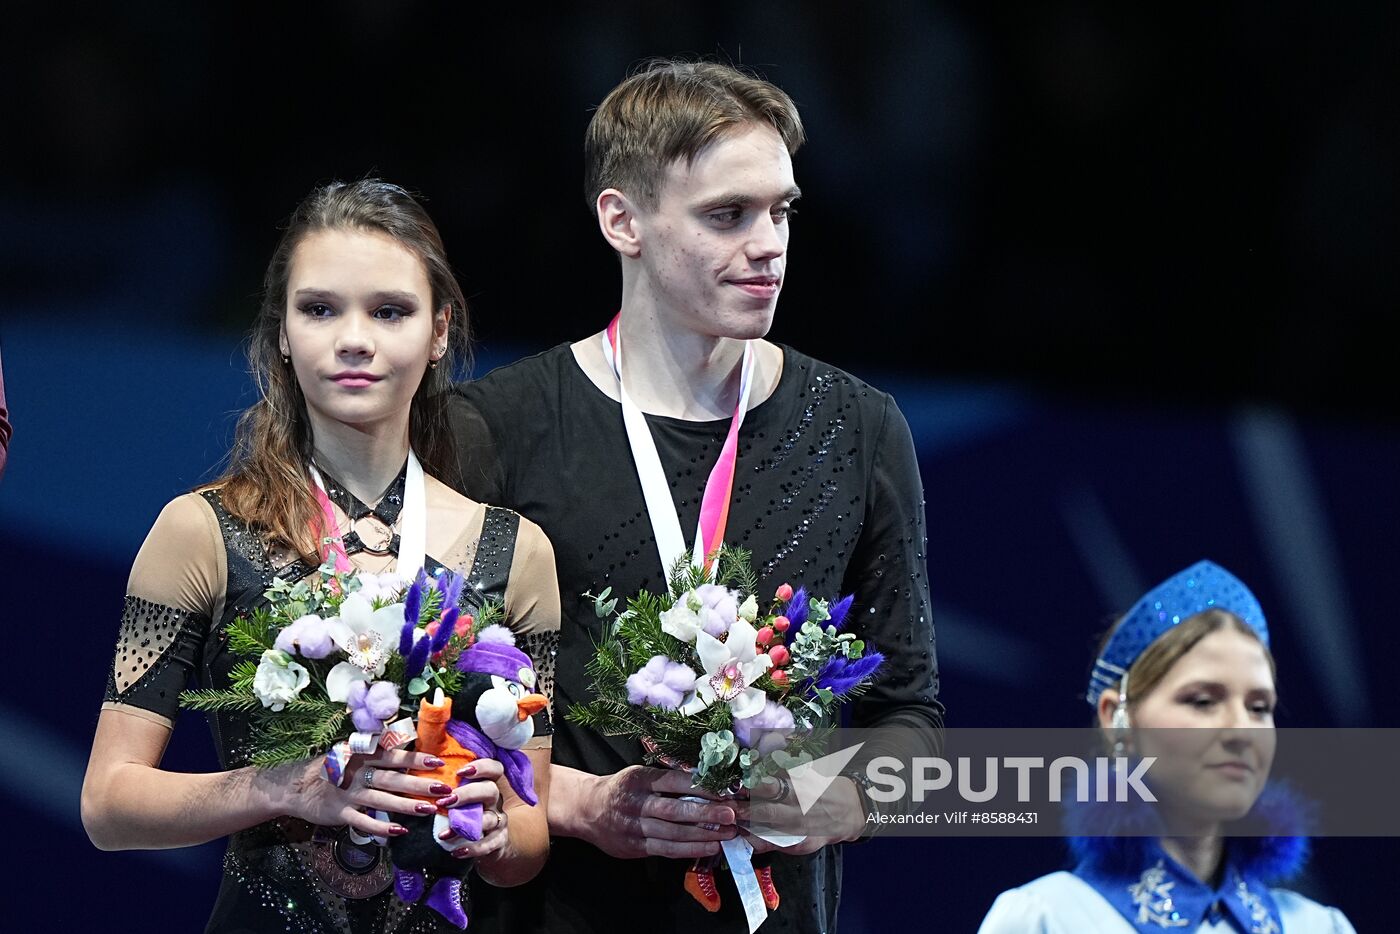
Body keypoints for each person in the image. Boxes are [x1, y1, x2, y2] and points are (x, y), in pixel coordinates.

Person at [448, 59, 944, 932]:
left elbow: (911, 714)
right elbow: (430, 720)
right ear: (622, 220)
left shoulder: (861, 431)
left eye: (782, 210)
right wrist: (580, 804)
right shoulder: (497, 429)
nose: (769, 244)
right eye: (727, 216)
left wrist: (845, 800)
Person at [82, 179, 561, 933]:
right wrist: (286, 786)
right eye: (319, 309)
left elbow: (530, 837)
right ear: (280, 331)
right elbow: (108, 804)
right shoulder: (201, 531)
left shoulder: (513, 550)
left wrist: (499, 830)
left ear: (439, 332)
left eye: (390, 311)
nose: (354, 338)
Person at [978, 560, 1355, 932]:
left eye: (1259, 707)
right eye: (1202, 701)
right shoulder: (1046, 919)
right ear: (1116, 717)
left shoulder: (1318, 926)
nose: (1242, 730)